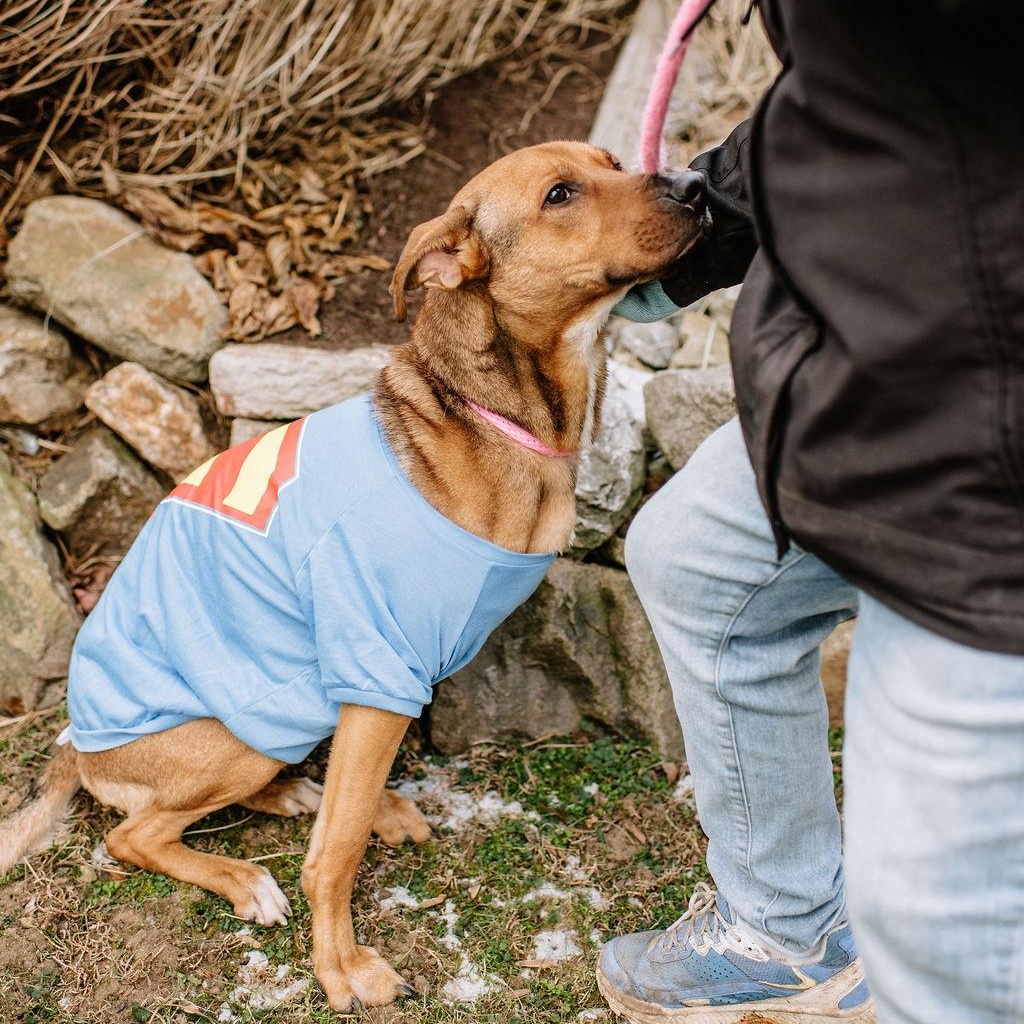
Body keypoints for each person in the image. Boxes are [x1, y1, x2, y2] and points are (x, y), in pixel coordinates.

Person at [597, 2, 1024, 1023]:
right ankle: (785, 928)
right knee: (699, 561)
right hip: (888, 368)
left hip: (981, 468)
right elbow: (862, 92)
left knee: (937, 944)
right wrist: (692, 229)